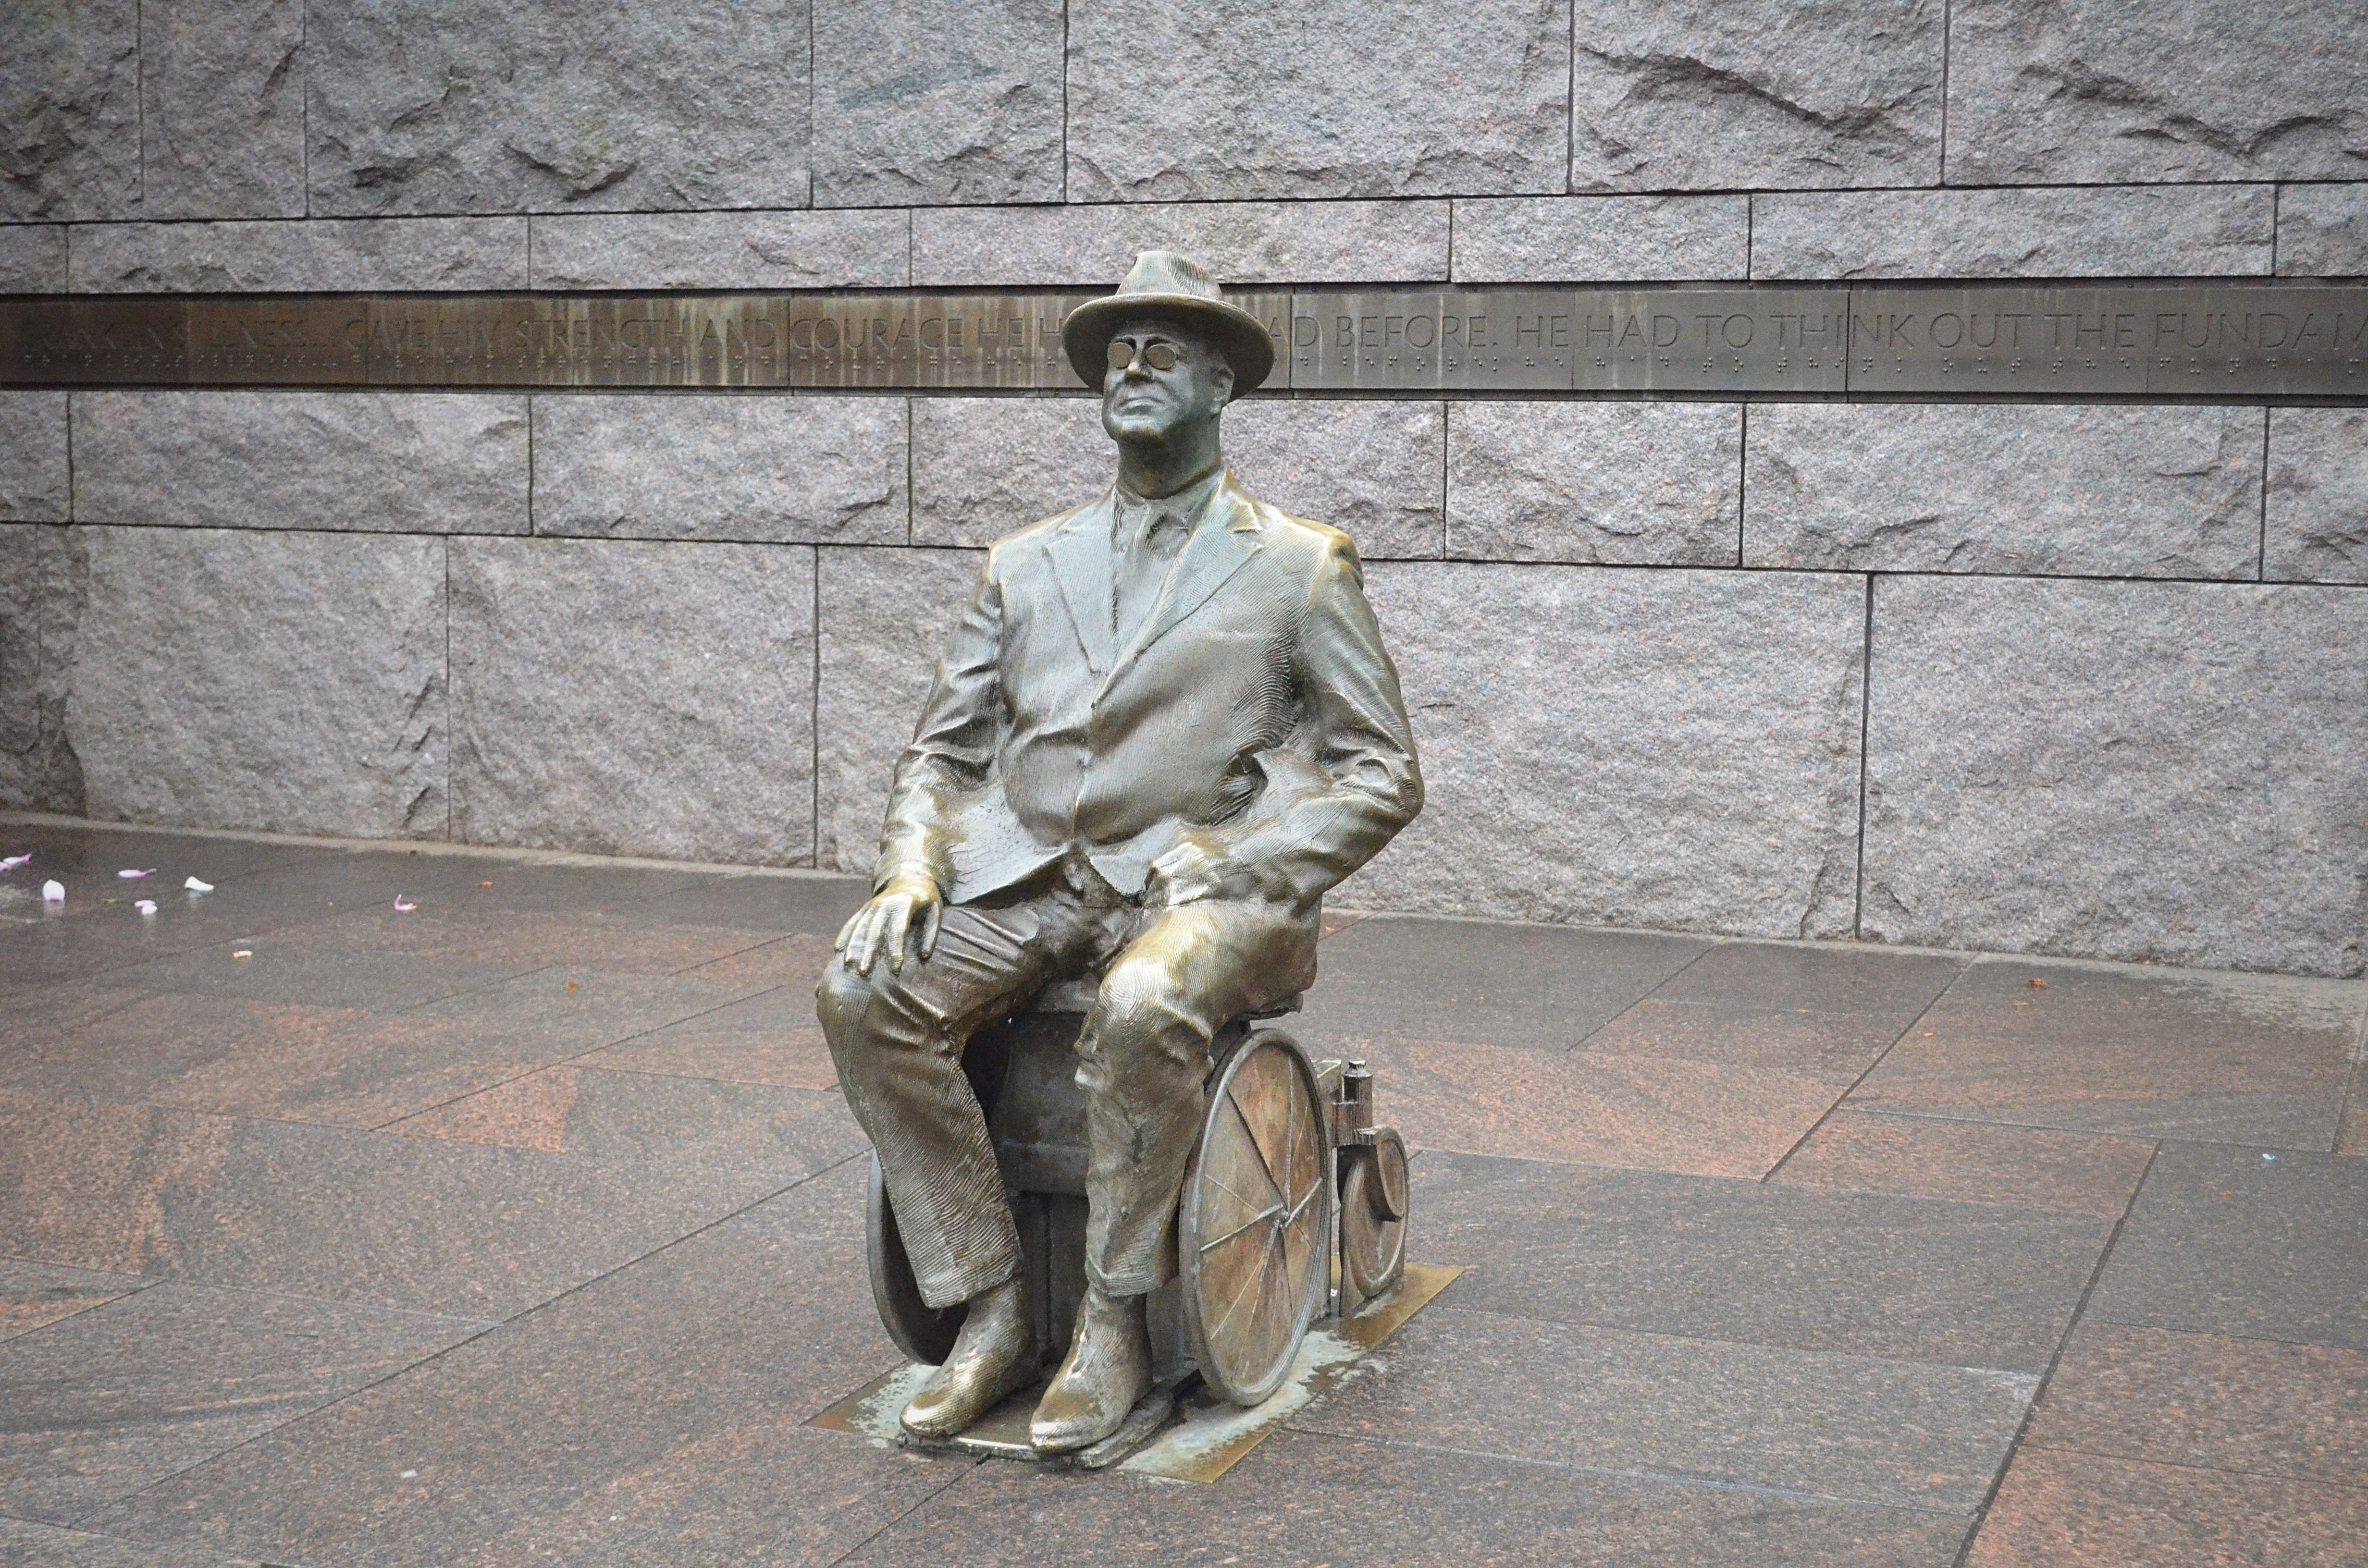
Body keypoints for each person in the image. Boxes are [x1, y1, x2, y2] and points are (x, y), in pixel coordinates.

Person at [816, 250, 1421, 1452]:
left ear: (1219, 387)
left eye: (1163, 352)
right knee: (863, 991)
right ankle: (989, 1306)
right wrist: (912, 870)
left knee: (1146, 1001)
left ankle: (1109, 1320)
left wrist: (1250, 860)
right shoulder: (1023, 562)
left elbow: (1384, 771)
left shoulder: (1301, 563)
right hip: (1029, 873)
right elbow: (939, 754)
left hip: (1206, 883)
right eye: (1117, 353)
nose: (1131, 367)